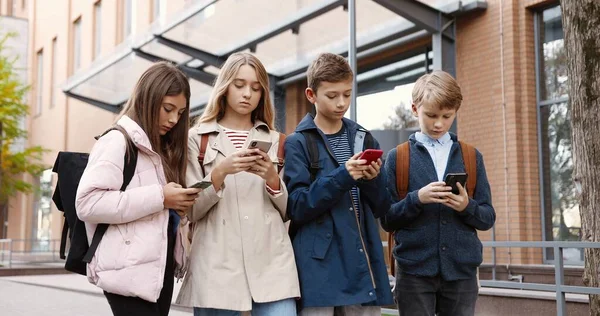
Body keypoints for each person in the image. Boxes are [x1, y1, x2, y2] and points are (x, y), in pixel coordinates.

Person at [176, 52, 300, 316]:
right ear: (225, 86)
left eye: (256, 88)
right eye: (239, 85)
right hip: (216, 265)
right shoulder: (196, 139)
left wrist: (272, 179)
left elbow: (290, 211)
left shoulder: (279, 141)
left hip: (272, 263)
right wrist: (219, 173)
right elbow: (191, 210)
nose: (247, 94)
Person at [75, 61, 202, 316]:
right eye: (168, 109)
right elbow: (87, 203)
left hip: (157, 267)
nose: (173, 119)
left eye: (180, 112)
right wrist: (161, 198)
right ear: (148, 99)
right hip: (127, 270)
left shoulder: (157, 149)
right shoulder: (117, 141)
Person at [283, 52, 393, 316]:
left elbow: (383, 206)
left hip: (360, 259)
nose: (341, 102)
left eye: (347, 93)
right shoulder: (297, 143)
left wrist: (372, 179)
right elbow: (296, 206)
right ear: (311, 95)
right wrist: (344, 175)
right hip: (318, 267)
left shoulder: (363, 139)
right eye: (332, 96)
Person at [382, 70, 495, 316]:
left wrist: (467, 206)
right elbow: (387, 218)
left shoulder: (470, 156)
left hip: (461, 272)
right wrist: (417, 199)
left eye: (447, 116)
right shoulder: (398, 158)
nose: (438, 123)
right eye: (431, 115)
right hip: (413, 272)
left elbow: (487, 218)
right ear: (414, 109)